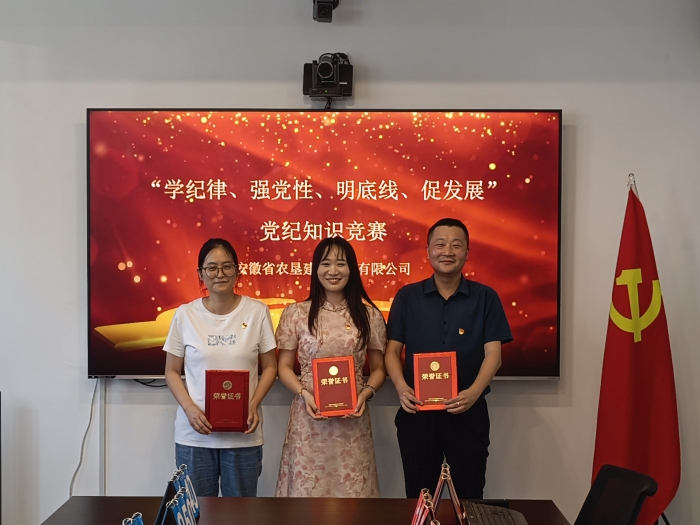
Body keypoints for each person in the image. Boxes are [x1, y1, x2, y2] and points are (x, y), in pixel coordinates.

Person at [385, 218, 512, 499]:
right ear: (428, 251)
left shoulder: (485, 297)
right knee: (420, 496)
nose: (448, 251)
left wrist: (473, 393)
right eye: (440, 244)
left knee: (470, 495)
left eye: (456, 245)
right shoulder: (407, 297)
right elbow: (392, 351)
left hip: (467, 411)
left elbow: (494, 355)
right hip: (418, 413)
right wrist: (402, 388)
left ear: (467, 252)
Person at [164, 238, 278, 497]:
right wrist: (190, 409)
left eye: (227, 266)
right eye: (212, 267)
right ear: (200, 274)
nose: (220, 274)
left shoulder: (257, 312)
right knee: (196, 512)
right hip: (195, 436)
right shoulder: (185, 314)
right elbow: (171, 371)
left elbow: (270, 366)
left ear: (238, 271)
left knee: (240, 513)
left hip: (244, 434)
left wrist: (253, 404)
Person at [275, 237, 387, 497]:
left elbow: (379, 369)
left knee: (353, 491)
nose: (333, 271)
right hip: (309, 416)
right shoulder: (296, 313)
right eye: (326, 263)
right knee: (306, 492)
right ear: (316, 269)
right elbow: (283, 367)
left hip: (353, 419)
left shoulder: (369, 315)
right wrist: (305, 394)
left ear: (352, 269)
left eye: (341, 264)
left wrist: (365, 394)